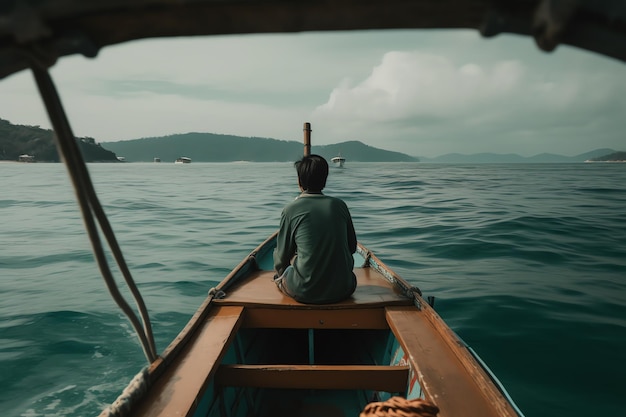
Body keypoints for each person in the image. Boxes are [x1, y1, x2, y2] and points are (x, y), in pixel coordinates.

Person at [273, 154, 357, 304]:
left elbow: (282, 258)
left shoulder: (291, 209)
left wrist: (281, 275)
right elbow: (351, 247)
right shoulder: (339, 205)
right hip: (345, 288)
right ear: (324, 180)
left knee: (283, 273)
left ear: (300, 181)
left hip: (304, 291)